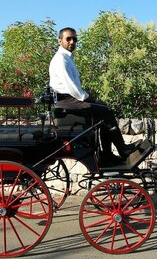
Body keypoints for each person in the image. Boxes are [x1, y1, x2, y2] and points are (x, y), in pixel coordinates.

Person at [49, 27, 141, 166]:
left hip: (69, 99)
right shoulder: (61, 60)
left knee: (102, 110)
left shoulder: (67, 58)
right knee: (105, 111)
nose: (72, 41)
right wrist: (91, 100)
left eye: (74, 39)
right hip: (67, 101)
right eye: (68, 39)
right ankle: (122, 150)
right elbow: (74, 89)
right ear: (59, 41)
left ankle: (107, 155)